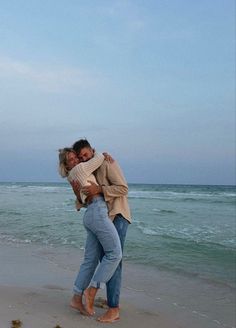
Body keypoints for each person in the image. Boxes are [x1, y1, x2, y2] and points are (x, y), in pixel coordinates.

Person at [71, 139, 131, 323]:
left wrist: (101, 189)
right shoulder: (86, 171)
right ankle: (110, 299)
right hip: (102, 218)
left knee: (114, 259)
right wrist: (77, 193)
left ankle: (114, 309)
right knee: (102, 259)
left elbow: (123, 188)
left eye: (86, 155)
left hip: (118, 215)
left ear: (92, 151)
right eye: (80, 157)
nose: (83, 159)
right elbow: (83, 202)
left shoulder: (106, 162)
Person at [58, 148, 122, 316]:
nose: (76, 161)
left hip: (91, 213)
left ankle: (76, 297)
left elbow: (80, 199)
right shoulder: (80, 169)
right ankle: (93, 289)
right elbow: (98, 158)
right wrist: (104, 153)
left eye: (76, 158)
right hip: (98, 211)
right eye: (71, 160)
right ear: (66, 165)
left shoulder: (73, 176)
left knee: (90, 261)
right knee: (115, 254)